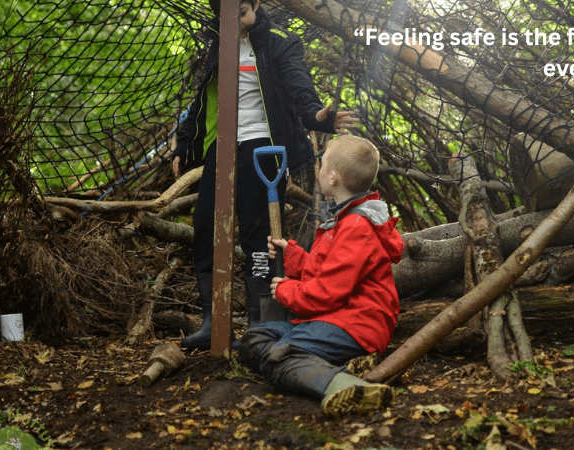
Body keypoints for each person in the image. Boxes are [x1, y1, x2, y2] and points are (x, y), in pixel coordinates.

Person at [172, 0, 358, 349]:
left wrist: (316, 115)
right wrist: (185, 144)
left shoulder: (277, 40)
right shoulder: (218, 42)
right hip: (222, 143)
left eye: (242, 9)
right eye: (229, 13)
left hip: (262, 144)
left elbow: (296, 83)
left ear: (255, 4)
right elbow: (202, 99)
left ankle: (260, 320)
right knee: (205, 224)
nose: (237, 18)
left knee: (258, 233)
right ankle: (213, 318)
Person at [237, 135, 404, 416]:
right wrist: (292, 255)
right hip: (332, 319)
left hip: (356, 325)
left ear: (334, 177)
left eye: (322, 164)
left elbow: (326, 292)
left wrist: (285, 291)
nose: (319, 170)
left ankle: (342, 384)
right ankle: (341, 365)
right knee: (253, 341)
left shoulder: (356, 227)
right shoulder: (342, 221)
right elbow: (324, 270)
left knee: (278, 358)